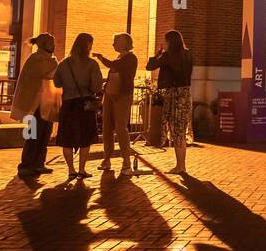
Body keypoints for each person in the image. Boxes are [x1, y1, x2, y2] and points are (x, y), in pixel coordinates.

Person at [53, 32, 104, 179]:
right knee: (85, 138)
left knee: (67, 138)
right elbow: (96, 86)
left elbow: (57, 82)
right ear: (88, 46)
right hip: (85, 104)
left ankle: (71, 170)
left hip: (68, 103)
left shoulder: (64, 63)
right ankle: (82, 169)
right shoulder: (92, 64)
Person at [11, 33, 59, 179]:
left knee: (45, 134)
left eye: (53, 43)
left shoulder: (52, 60)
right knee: (32, 135)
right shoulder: (35, 59)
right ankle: (25, 165)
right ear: (43, 44)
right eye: (50, 43)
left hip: (47, 103)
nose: (53, 45)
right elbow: (41, 75)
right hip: (33, 104)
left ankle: (39, 163)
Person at [147, 29, 194, 175]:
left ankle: (180, 166)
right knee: (181, 128)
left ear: (169, 42)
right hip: (185, 93)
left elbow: (150, 67)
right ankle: (181, 165)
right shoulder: (187, 54)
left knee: (175, 130)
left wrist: (157, 54)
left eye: (165, 40)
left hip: (173, 94)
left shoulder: (167, 55)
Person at [96, 32, 138, 176]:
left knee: (121, 128)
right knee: (107, 127)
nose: (113, 44)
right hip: (109, 95)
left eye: (115, 41)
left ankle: (126, 162)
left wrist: (101, 58)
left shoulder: (131, 58)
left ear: (124, 43)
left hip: (122, 96)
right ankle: (106, 159)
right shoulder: (120, 57)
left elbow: (114, 65)